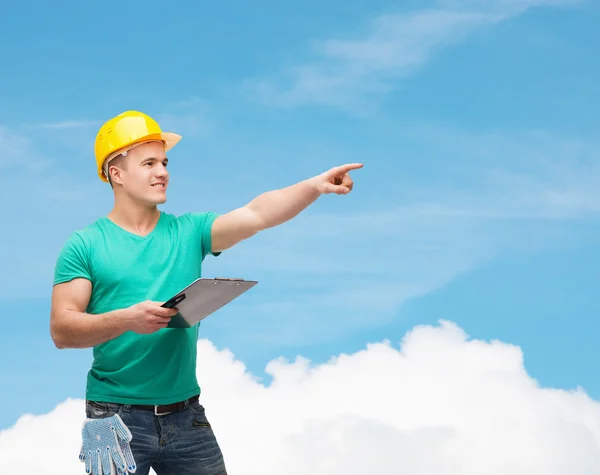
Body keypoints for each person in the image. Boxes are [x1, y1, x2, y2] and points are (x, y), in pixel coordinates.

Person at [50, 110, 362, 475]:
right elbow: (62, 329)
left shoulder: (190, 231)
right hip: (113, 418)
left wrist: (314, 186)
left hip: (186, 416)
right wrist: (128, 318)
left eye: (164, 162)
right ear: (116, 174)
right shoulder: (85, 245)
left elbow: (257, 214)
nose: (163, 171)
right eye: (149, 163)